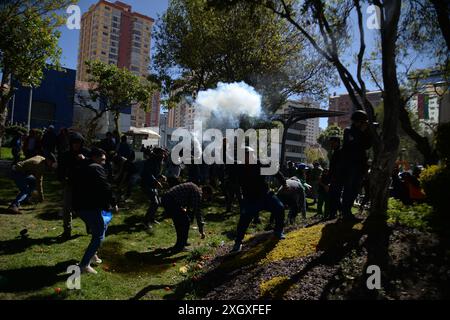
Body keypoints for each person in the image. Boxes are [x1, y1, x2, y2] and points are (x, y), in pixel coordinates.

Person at [231, 147, 287, 253]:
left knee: (279, 208)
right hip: (249, 199)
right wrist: (238, 197)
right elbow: (234, 182)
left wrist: (284, 183)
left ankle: (278, 231)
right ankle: (238, 243)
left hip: (265, 196)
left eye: (251, 155)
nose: (249, 157)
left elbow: (275, 171)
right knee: (243, 221)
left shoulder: (260, 163)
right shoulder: (238, 167)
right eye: (246, 155)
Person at [72, 148, 117, 274]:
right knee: (99, 236)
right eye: (102, 159)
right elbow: (105, 187)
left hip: (81, 205)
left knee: (102, 227)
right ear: (95, 158)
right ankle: (84, 265)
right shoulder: (96, 168)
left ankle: (93, 254)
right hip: (89, 206)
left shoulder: (84, 166)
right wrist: (114, 203)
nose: (103, 162)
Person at [329, 111, 372, 221]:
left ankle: (347, 212)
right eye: (362, 122)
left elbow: (367, 145)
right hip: (349, 165)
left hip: (360, 165)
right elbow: (352, 144)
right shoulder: (348, 131)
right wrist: (361, 131)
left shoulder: (363, 132)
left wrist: (368, 131)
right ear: (357, 121)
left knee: (355, 189)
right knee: (349, 189)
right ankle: (345, 212)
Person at [57, 132, 90, 240]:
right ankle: (67, 231)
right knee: (67, 208)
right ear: (71, 143)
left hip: (83, 185)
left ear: (81, 143)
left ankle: (90, 225)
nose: (76, 145)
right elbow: (60, 169)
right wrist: (62, 179)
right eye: (74, 143)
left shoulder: (86, 153)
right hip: (69, 184)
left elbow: (95, 166)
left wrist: (85, 160)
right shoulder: (66, 154)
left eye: (78, 143)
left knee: (83, 208)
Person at [161, 183, 212, 252]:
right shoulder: (198, 193)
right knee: (185, 222)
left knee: (180, 222)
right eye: (207, 197)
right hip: (170, 200)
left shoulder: (194, 188)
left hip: (167, 198)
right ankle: (180, 246)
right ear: (205, 191)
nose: (205, 199)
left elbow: (187, 203)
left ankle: (181, 243)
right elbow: (197, 212)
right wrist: (201, 230)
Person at [141, 147, 167, 229]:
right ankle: (145, 221)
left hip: (152, 185)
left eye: (164, 153)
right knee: (155, 202)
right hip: (146, 184)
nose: (164, 155)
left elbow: (155, 173)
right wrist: (156, 181)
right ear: (157, 154)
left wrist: (161, 176)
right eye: (162, 153)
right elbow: (148, 174)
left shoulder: (158, 162)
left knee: (158, 202)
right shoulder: (150, 161)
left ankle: (151, 218)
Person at [327, 136, 344, 220]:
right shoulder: (336, 152)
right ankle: (333, 214)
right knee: (333, 197)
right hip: (335, 178)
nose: (331, 144)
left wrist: (333, 177)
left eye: (332, 142)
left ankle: (338, 212)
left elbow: (338, 167)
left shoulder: (340, 152)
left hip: (337, 179)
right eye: (330, 143)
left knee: (335, 197)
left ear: (337, 142)